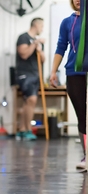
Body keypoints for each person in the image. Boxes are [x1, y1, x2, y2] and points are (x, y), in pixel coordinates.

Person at [50, 0, 86, 170]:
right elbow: (61, 47)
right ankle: (86, 156)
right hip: (74, 73)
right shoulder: (67, 22)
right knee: (82, 115)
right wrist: (53, 71)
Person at [15, 18, 45, 141]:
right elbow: (24, 54)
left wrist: (40, 50)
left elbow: (43, 59)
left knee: (28, 101)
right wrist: (34, 44)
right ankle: (28, 130)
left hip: (36, 74)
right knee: (31, 100)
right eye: (42, 26)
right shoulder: (24, 38)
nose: (42, 29)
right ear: (36, 25)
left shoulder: (38, 43)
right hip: (24, 74)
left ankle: (22, 129)